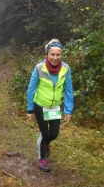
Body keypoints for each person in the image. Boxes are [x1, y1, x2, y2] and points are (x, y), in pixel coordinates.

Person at [26, 39, 74, 172]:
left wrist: (68, 110)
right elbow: (31, 89)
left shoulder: (66, 69)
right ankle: (41, 159)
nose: (55, 58)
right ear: (47, 54)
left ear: (61, 55)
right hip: (40, 105)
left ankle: (45, 144)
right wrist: (30, 109)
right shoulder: (39, 68)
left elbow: (69, 89)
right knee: (44, 133)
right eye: (52, 54)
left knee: (54, 133)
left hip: (55, 106)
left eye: (58, 55)